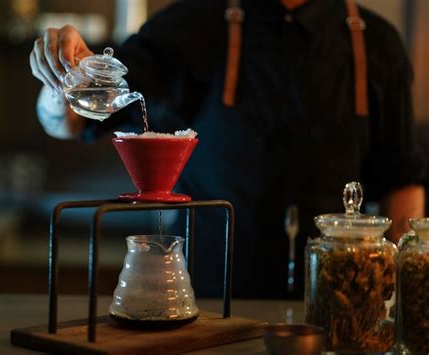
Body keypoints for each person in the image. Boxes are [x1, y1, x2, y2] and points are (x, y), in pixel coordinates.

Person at [30, 0, 426, 299]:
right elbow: (70, 120)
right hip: (207, 308)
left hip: (338, 309)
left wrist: (396, 300)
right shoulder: (192, 24)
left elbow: (401, 180)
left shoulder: (377, 43)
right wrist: (61, 77)